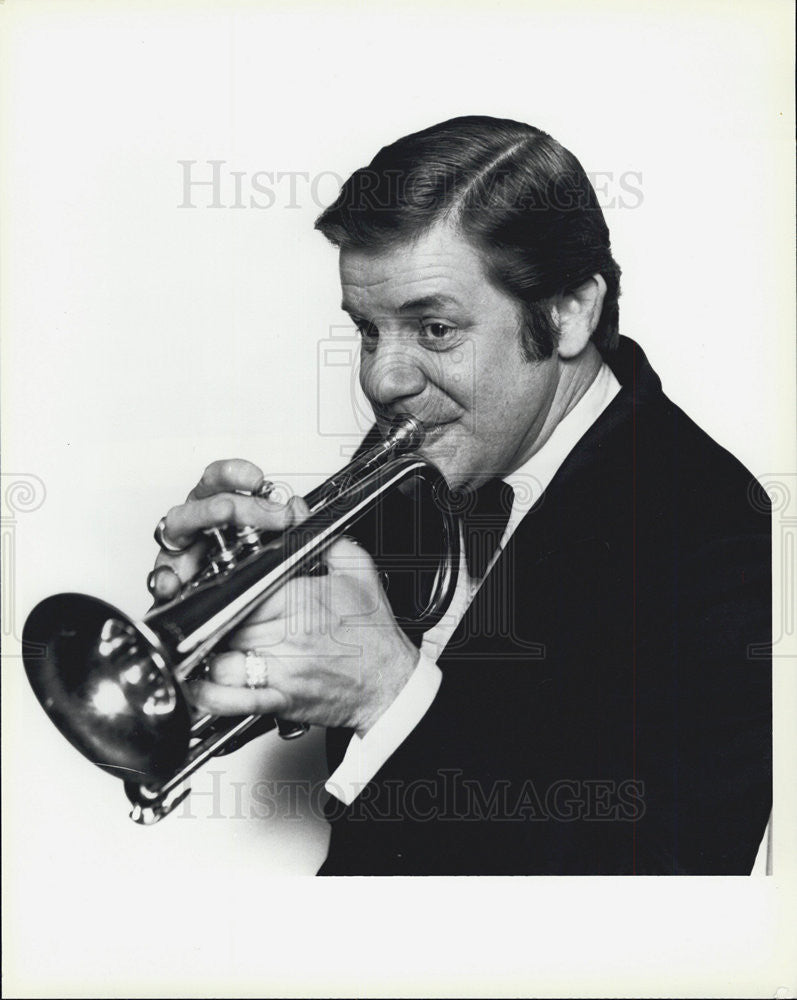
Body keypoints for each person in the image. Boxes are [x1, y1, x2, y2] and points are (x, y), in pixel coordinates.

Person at [148, 116, 772, 875]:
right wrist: (200, 638)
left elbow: (668, 899)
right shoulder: (425, 464)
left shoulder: (729, 543)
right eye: (368, 331)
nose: (382, 379)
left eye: (435, 328)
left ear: (569, 311)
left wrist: (388, 699)